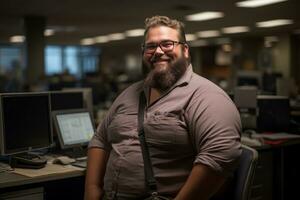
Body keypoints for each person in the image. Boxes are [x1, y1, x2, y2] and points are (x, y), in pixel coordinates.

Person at [85, 15, 242, 200]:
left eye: (167, 44)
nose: (158, 51)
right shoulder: (129, 94)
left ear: (185, 50)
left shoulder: (206, 96)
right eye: (151, 46)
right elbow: (100, 139)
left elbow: (221, 155)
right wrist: (92, 190)